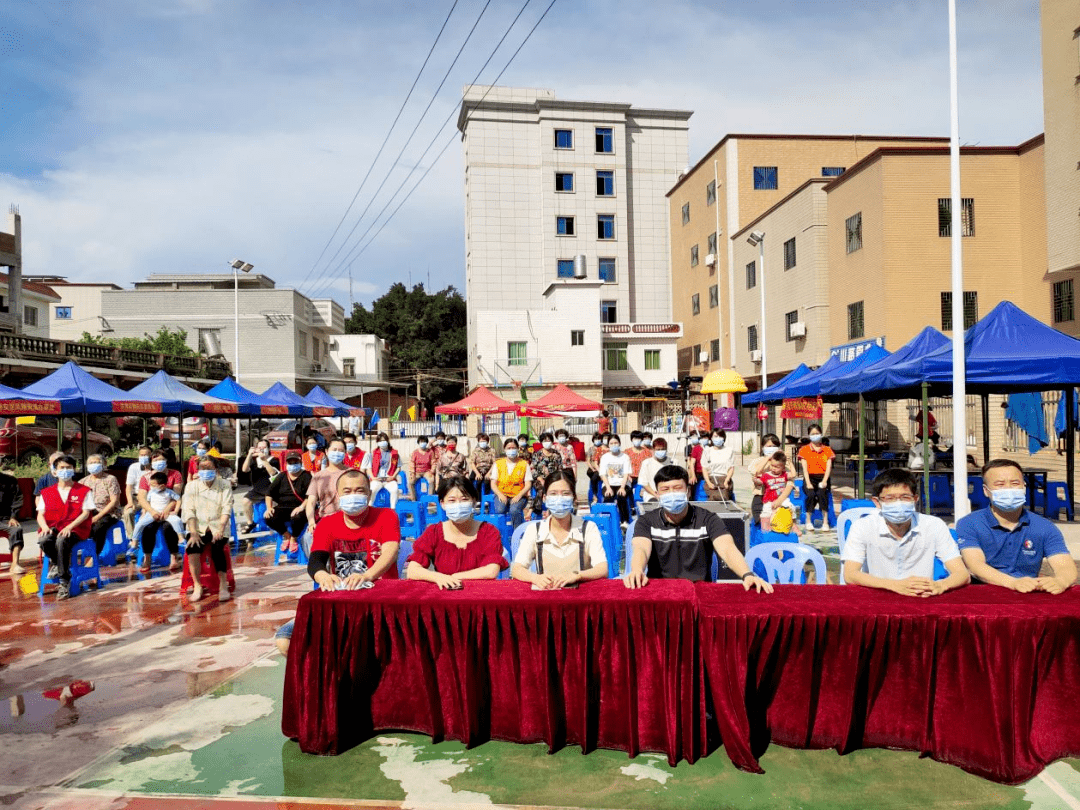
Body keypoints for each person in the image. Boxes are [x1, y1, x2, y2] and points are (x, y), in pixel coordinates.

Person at [624, 465, 771, 592]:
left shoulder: (708, 519)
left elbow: (727, 548)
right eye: (665, 489)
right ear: (657, 494)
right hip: (660, 591)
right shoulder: (646, 521)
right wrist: (637, 570)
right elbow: (641, 548)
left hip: (699, 590)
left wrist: (747, 574)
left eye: (677, 488)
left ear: (688, 491)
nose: (672, 494)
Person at [955, 459, 1077, 594]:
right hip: (982, 594)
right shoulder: (970, 523)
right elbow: (975, 565)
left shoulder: (1044, 527)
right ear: (986, 490)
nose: (1008, 489)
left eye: (1015, 483)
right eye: (1000, 484)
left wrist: (1061, 581)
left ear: (1024, 487)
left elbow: (1064, 565)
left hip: (1028, 594)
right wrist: (1013, 583)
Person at [842, 468, 969, 597]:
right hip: (878, 596)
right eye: (889, 498)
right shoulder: (862, 526)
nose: (898, 503)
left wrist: (941, 585)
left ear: (915, 499)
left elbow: (962, 574)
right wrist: (894, 585)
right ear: (877, 502)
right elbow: (850, 574)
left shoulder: (934, 525)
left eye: (905, 497)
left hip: (922, 598)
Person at [405, 476, 507, 588]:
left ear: (474, 501)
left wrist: (454, 577)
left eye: (464, 499)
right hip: (445, 594)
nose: (458, 505)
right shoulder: (433, 532)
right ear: (442, 503)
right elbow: (412, 570)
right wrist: (437, 577)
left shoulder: (488, 531)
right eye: (452, 500)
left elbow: (491, 571)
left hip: (481, 595)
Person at [511, 471, 607, 588]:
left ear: (574, 498)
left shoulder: (588, 528)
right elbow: (517, 569)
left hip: (580, 599)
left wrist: (578, 575)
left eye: (565, 494)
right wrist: (535, 578)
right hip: (546, 599)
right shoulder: (534, 530)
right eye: (553, 494)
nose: (559, 499)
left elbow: (602, 568)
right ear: (545, 498)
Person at [308, 469, 400, 591]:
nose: (353, 495)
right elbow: (316, 560)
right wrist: (323, 576)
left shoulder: (386, 516)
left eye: (360, 491)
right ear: (338, 495)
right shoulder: (326, 523)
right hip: (344, 593)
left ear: (369, 494)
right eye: (347, 491)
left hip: (382, 591)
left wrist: (367, 576)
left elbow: (390, 552)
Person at [36, 456, 96, 601]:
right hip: (54, 526)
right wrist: (44, 526)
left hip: (77, 528)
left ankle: (64, 581)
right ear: (54, 471)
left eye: (68, 468)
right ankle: (57, 563)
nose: (65, 471)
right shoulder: (47, 492)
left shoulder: (83, 490)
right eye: (62, 468)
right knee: (44, 540)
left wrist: (70, 526)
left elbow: (86, 513)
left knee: (62, 540)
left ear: (74, 470)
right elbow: (40, 514)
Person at [181, 456, 235, 601]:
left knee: (218, 549)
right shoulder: (191, 486)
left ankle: (223, 585)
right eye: (202, 468)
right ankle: (197, 585)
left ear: (215, 469)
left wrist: (221, 528)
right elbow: (189, 510)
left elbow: (226, 507)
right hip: (197, 528)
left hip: (219, 527)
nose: (206, 471)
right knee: (192, 548)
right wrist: (193, 533)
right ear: (198, 470)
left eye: (209, 468)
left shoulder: (224, 484)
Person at [133, 471, 184, 572]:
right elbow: (144, 500)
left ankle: (174, 556)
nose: (150, 486)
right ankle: (147, 557)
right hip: (153, 513)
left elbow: (177, 499)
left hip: (167, 514)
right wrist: (149, 511)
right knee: (148, 528)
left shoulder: (175, 475)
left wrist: (170, 510)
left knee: (168, 527)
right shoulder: (148, 481)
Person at [266, 451, 311, 553]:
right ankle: (286, 535)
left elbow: (311, 496)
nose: (293, 465)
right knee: (269, 517)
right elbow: (269, 493)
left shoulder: (306, 476)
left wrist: (301, 507)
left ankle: (294, 538)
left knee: (297, 517)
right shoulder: (282, 476)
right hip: (283, 506)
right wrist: (269, 508)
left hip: (301, 506)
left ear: (300, 462)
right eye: (290, 462)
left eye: (295, 462)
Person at [79, 454, 121, 560]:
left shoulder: (110, 479)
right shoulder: (83, 482)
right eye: (91, 463)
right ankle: (85, 552)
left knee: (99, 527)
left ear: (103, 464)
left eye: (96, 462)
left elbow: (114, 501)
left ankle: (94, 556)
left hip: (109, 512)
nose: (94, 465)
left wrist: (97, 517)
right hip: (89, 511)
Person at [747, 434, 796, 525]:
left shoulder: (783, 463)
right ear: (762, 447)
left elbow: (790, 482)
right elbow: (755, 472)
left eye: (774, 446)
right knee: (761, 522)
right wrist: (768, 458)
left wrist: (780, 500)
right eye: (769, 446)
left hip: (780, 498)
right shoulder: (757, 461)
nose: (772, 449)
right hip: (760, 497)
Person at [305, 438, 350, 533]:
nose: (337, 453)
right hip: (326, 520)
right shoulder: (318, 476)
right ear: (326, 451)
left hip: (349, 520)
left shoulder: (352, 473)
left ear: (345, 453)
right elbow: (311, 503)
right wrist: (311, 522)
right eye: (334, 450)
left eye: (341, 451)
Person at [798, 424, 835, 532]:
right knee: (810, 494)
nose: (815, 436)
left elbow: (829, 468)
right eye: (813, 434)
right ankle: (808, 521)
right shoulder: (804, 450)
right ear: (809, 435)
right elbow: (804, 469)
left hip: (823, 478)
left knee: (822, 494)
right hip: (810, 478)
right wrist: (808, 483)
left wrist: (824, 481)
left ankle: (825, 521)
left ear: (821, 434)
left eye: (817, 433)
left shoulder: (827, 450)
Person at [239, 437, 280, 535]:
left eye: (264, 447)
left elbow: (273, 473)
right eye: (259, 447)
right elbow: (244, 469)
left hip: (270, 489)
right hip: (257, 490)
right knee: (245, 501)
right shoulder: (254, 461)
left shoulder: (274, 460)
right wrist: (249, 454)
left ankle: (274, 524)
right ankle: (250, 523)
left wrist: (264, 460)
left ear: (268, 449)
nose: (261, 449)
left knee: (273, 505)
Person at [488, 438, 532, 529]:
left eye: (513, 448)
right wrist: (500, 495)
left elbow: (528, 484)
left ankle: (517, 532)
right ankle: (500, 532)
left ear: (518, 449)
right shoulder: (498, 463)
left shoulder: (524, 464)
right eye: (509, 448)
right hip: (502, 493)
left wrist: (519, 496)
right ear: (504, 449)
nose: (511, 450)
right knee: (500, 509)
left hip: (519, 495)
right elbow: (493, 483)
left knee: (514, 510)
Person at [528, 432, 564, 520]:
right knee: (541, 490)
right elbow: (532, 468)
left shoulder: (556, 454)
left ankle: (551, 511)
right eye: (544, 440)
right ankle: (535, 510)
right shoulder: (537, 454)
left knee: (555, 490)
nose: (547, 442)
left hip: (553, 479)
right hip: (539, 479)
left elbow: (560, 468)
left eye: (549, 440)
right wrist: (540, 479)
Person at [598, 434, 633, 525]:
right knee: (608, 496)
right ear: (608, 445)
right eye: (611, 443)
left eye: (616, 443)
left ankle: (624, 521)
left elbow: (626, 473)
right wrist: (608, 488)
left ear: (620, 443)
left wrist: (622, 487)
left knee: (621, 496)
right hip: (609, 484)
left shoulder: (625, 457)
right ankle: (607, 521)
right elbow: (603, 474)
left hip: (623, 484)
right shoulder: (605, 457)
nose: (614, 445)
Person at [758, 452, 795, 530]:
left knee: (791, 507)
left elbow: (793, 475)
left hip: (782, 499)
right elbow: (758, 471)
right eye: (772, 465)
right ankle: (765, 530)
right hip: (769, 499)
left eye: (777, 467)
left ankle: (793, 526)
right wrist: (767, 459)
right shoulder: (766, 475)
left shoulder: (784, 474)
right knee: (766, 513)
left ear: (783, 467)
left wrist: (790, 463)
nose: (774, 468)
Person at [363, 432, 401, 508]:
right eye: (380, 441)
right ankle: (369, 507)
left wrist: (393, 477)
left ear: (387, 441)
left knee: (395, 490)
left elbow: (398, 467)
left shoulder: (394, 453)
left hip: (389, 479)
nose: (382, 442)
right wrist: (373, 478)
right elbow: (368, 468)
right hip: (377, 478)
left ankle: (393, 509)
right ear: (377, 442)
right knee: (372, 490)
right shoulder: (372, 453)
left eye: (384, 440)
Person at [0, 462, 25, 574]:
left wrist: (13, 516)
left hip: (5, 519)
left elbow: (17, 499)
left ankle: (15, 564)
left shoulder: (10, 480)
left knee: (16, 529)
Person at [637, 438, 678, 503]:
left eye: (663, 449)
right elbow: (644, 483)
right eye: (658, 449)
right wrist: (655, 494)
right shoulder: (646, 463)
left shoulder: (673, 462)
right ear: (653, 450)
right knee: (654, 503)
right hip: (651, 494)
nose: (660, 451)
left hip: (669, 493)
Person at [123, 446, 153, 535]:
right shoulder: (133, 467)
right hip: (137, 497)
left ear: (151, 456)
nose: (143, 457)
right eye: (141, 455)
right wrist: (130, 502)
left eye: (145, 455)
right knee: (128, 513)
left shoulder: (156, 468)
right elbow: (129, 487)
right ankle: (132, 537)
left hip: (152, 498)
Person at [701, 429, 735, 502]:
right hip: (712, 479)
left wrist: (726, 481)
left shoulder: (729, 450)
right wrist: (709, 482)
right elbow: (704, 468)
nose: (718, 438)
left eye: (720, 436)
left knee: (724, 499)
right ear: (711, 438)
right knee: (713, 500)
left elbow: (731, 468)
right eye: (716, 436)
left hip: (724, 479)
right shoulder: (707, 451)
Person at [586, 431, 606, 498]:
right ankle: (594, 494)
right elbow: (588, 461)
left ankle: (596, 494)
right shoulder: (591, 449)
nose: (597, 441)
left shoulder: (604, 448)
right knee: (592, 475)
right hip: (593, 467)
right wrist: (592, 468)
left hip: (601, 467)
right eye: (595, 439)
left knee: (595, 477)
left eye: (599, 439)